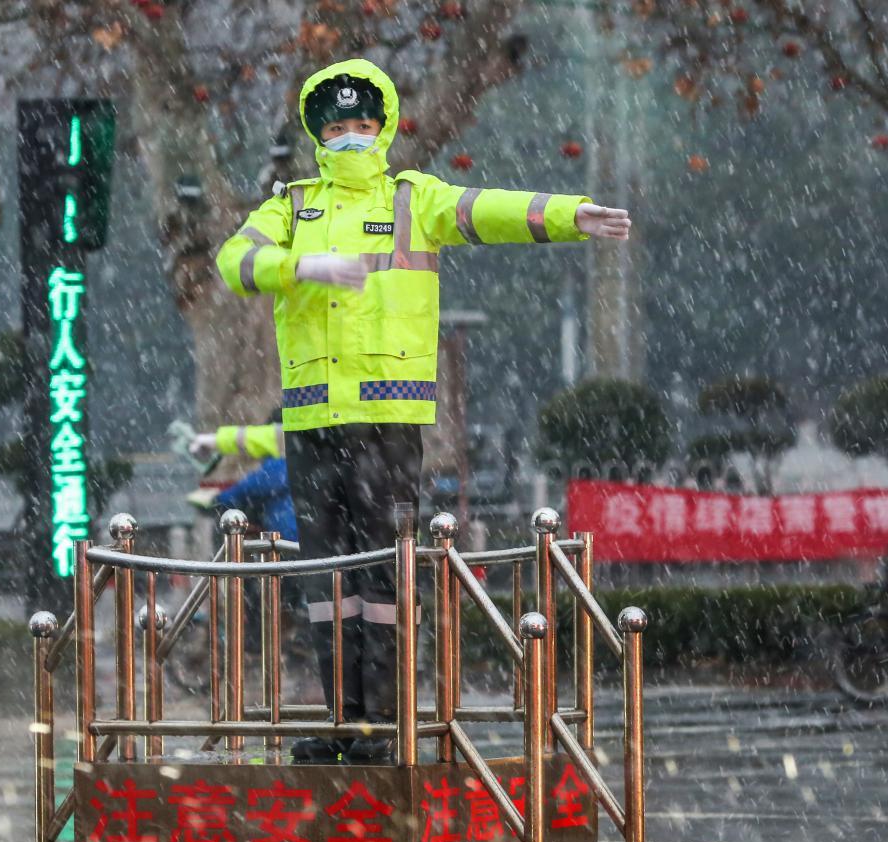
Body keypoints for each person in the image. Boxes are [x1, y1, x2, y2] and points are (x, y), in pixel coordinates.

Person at [214, 58, 631, 763]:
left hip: (388, 426)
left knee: (383, 576)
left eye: (363, 124)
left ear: (384, 128)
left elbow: (484, 210)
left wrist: (567, 214)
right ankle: (342, 720)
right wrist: (300, 266)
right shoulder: (289, 207)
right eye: (338, 127)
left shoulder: (414, 199)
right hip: (312, 427)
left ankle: (382, 720)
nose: (351, 137)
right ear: (319, 135)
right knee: (325, 582)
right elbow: (234, 261)